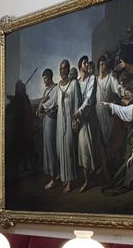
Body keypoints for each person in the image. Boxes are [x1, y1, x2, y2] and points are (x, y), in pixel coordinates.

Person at [73, 56, 103, 192]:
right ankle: (87, 179)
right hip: (80, 120)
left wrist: (79, 113)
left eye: (87, 63)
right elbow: (75, 101)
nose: (87, 65)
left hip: (90, 119)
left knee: (91, 148)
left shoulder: (92, 79)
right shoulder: (76, 82)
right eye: (84, 63)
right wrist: (76, 119)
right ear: (80, 65)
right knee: (82, 150)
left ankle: (91, 178)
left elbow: (89, 99)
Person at [53, 59, 81, 192]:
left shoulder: (74, 83)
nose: (62, 70)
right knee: (61, 150)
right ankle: (65, 178)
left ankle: (70, 181)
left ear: (68, 69)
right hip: (60, 121)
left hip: (70, 120)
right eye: (60, 68)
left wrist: (75, 120)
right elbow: (55, 103)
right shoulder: (58, 86)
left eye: (64, 68)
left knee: (69, 149)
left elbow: (77, 103)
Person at [35, 68, 59, 189]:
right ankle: (54, 175)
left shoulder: (55, 89)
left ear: (49, 77)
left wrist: (42, 105)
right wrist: (41, 106)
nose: (44, 80)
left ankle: (53, 178)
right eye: (43, 78)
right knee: (48, 148)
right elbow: (41, 108)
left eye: (45, 78)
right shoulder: (46, 90)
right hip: (46, 120)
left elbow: (52, 104)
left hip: (52, 121)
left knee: (52, 148)